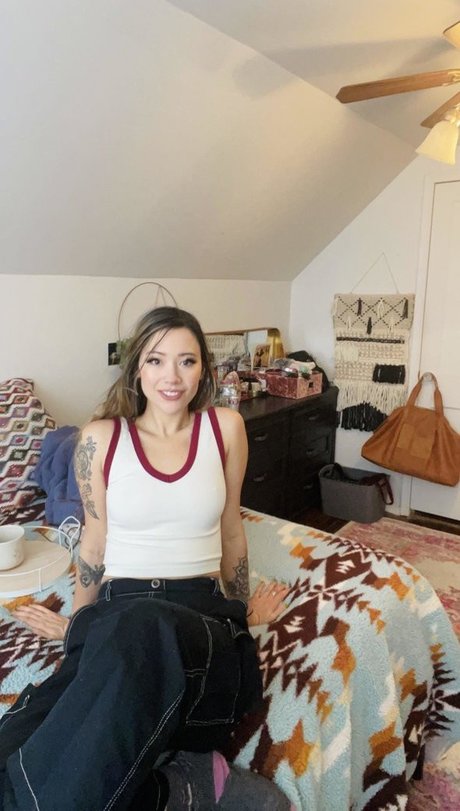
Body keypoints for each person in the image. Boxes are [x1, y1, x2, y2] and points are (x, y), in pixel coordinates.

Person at [0, 306, 290, 811]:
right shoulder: (100, 439)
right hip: (120, 623)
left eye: (186, 361)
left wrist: (242, 615)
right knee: (16, 738)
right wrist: (79, 629)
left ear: (204, 370)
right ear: (136, 367)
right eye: (156, 361)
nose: (171, 377)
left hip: (197, 625)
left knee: (141, 625)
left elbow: (231, 530)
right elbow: (94, 544)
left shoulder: (224, 428)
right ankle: (181, 789)